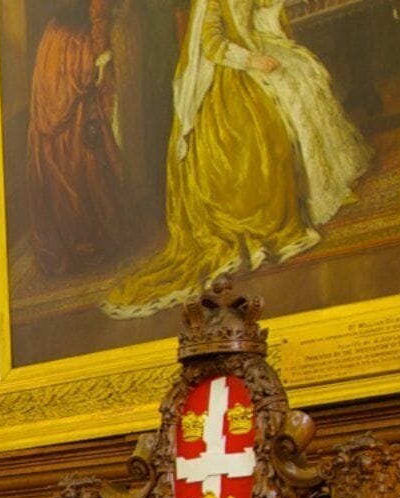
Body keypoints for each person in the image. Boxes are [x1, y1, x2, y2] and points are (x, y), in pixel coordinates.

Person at [103, 0, 369, 317]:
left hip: (257, 44)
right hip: (229, 71)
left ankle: (312, 189)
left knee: (303, 73)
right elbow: (212, 45)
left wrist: (270, 31)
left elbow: (261, 12)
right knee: (259, 127)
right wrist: (252, 60)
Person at [27, 0, 125, 270]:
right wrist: (100, 52)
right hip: (75, 46)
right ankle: (83, 236)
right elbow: (98, 13)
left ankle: (74, 234)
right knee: (78, 135)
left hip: (54, 42)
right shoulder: (88, 24)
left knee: (65, 136)